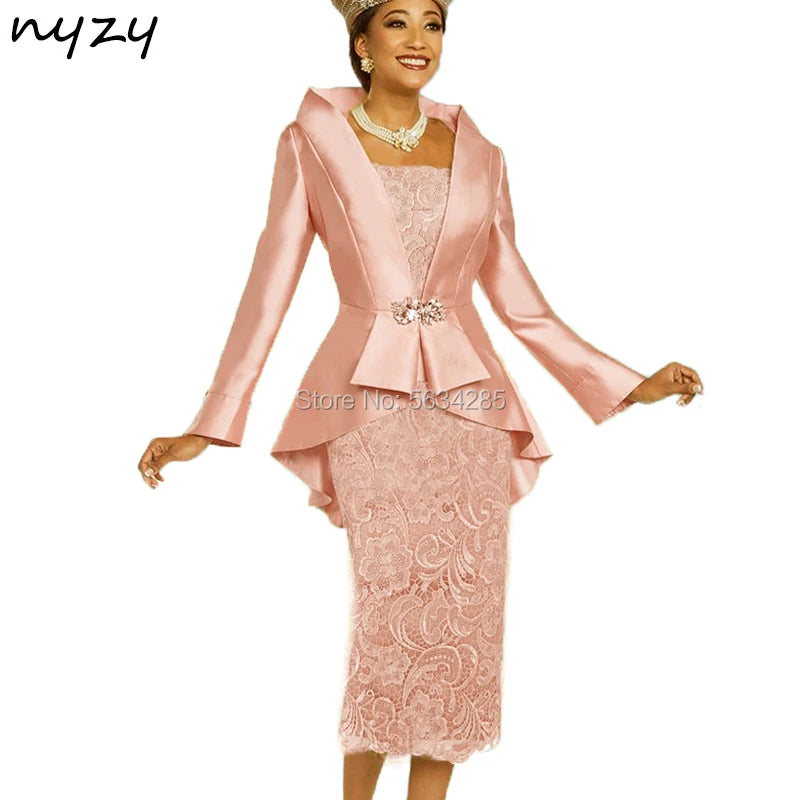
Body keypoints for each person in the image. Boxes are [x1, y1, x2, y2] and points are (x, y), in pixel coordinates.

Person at [138, 1, 703, 797]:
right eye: (397, 22)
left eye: (433, 23)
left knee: (464, 620)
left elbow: (520, 301)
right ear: (362, 43)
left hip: (471, 412)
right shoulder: (312, 142)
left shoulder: (482, 154)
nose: (418, 41)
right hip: (366, 405)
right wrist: (211, 421)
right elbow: (270, 284)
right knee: (389, 614)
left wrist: (623, 382)